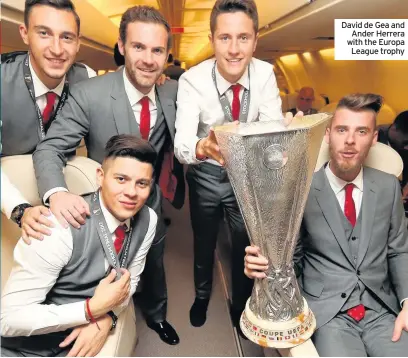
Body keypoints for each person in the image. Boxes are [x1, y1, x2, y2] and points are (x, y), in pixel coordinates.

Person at [32, 5, 184, 345]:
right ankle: (101, 316)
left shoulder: (174, 92)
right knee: (103, 272)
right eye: (138, 47)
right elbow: (49, 148)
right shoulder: (89, 94)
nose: (148, 59)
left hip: (152, 199)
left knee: (154, 263)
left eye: (157, 50)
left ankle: (157, 315)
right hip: (104, 206)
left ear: (167, 55)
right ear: (121, 47)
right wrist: (56, 192)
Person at [244, 93, 408, 356]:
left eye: (361, 131)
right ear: (328, 134)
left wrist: (407, 302)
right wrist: (263, 266)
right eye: (342, 130)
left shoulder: (389, 187)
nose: (350, 140)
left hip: (383, 312)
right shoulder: (301, 190)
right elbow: (288, 260)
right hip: (329, 317)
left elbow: (399, 250)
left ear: (374, 138)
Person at [174, 0, 298, 330]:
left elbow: (271, 128)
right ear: (212, 39)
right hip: (207, 175)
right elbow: (181, 144)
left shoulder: (266, 73)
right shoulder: (192, 80)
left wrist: (283, 143)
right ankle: (202, 296)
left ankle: (242, 303)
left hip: (248, 176)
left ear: (255, 40)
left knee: (247, 243)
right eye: (225, 38)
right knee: (205, 239)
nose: (233, 49)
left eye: (243, 38)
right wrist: (202, 147)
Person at [1, 134, 158, 357]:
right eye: (121, 179)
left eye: (141, 183)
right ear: (100, 177)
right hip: (26, 348)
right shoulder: (56, 228)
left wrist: (108, 318)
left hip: (79, 340)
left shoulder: (149, 219)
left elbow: (130, 280)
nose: (132, 192)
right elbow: (8, 319)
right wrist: (90, 310)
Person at [1, 0, 96, 243]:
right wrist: (18, 208)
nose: (56, 49)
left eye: (66, 37)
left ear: (78, 42)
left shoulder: (88, 79)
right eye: (44, 33)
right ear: (25, 34)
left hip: (63, 198)